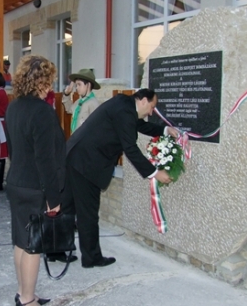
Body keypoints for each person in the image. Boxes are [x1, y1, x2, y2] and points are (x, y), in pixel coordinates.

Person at [63, 89, 179, 268]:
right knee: (88, 212)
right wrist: (155, 173)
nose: (151, 112)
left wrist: (165, 130)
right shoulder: (125, 111)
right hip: (86, 162)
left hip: (75, 155)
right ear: (143, 100)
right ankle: (91, 258)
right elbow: (130, 148)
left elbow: (140, 125)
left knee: (67, 207)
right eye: (152, 107)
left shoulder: (125, 106)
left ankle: (56, 250)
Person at [5, 55, 65, 306]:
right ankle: (28, 300)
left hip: (16, 181)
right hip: (35, 187)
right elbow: (45, 159)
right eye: (49, 79)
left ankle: (23, 292)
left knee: (21, 240)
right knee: (33, 246)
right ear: (42, 81)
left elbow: (12, 149)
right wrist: (54, 197)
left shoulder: (13, 107)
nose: (51, 85)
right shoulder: (42, 111)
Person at [62, 68, 101, 134]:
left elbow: (97, 127)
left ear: (88, 85)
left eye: (79, 84)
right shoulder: (79, 101)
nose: (77, 88)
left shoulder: (93, 103)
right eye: (76, 85)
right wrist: (67, 94)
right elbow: (69, 109)